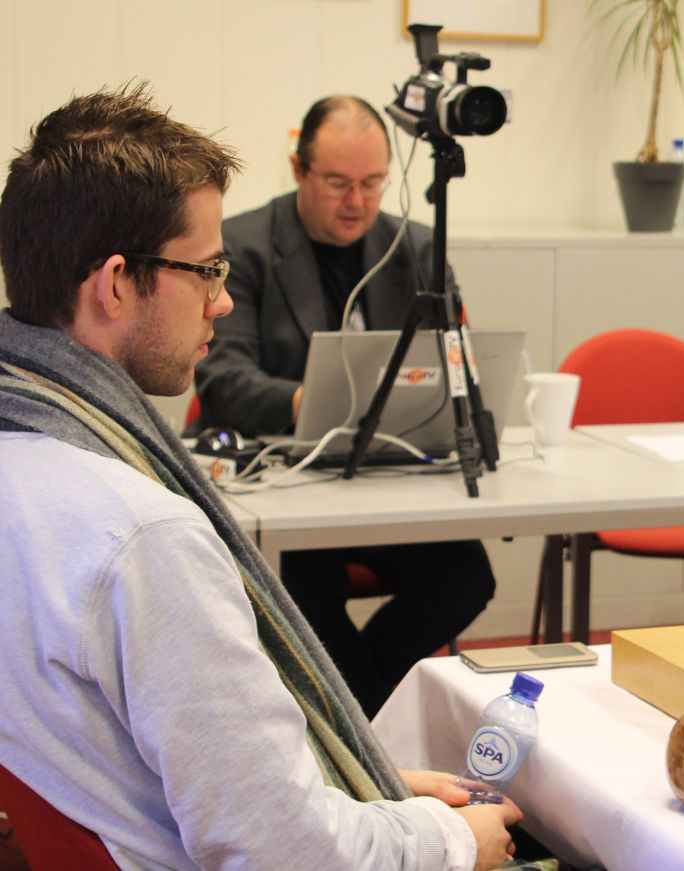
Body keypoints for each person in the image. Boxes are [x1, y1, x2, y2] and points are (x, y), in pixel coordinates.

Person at [0, 84, 523, 870]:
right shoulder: (148, 540)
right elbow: (285, 852)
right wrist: (452, 840)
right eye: (207, 271)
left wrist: (344, 779)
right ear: (114, 283)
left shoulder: (28, 462)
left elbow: (226, 791)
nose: (222, 299)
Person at [194, 95, 496, 716]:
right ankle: (368, 730)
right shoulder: (243, 247)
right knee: (299, 591)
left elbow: (453, 368)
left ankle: (353, 716)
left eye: (372, 183)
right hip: (289, 484)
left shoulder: (415, 248)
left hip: (392, 478)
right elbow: (221, 382)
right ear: (299, 169)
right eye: (337, 183)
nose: (357, 201)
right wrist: (314, 402)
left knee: (465, 577)